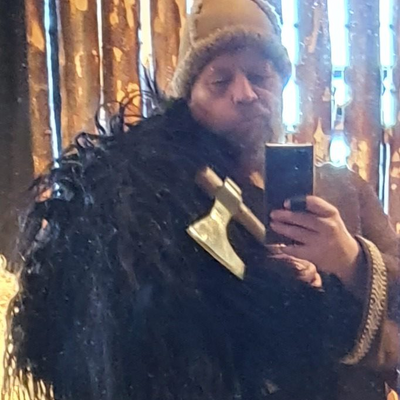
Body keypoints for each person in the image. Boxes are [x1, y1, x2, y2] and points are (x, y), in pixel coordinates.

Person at [2, 0, 399, 399]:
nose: (244, 93)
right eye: (220, 81)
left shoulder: (344, 191)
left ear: (281, 84)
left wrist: (351, 261)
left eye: (259, 76)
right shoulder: (151, 209)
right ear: (188, 99)